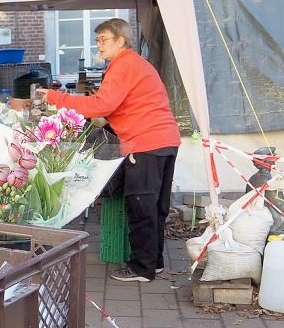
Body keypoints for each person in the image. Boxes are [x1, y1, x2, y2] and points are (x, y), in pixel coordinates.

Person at [37, 18, 180, 283]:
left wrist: (55, 98)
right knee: (156, 206)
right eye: (97, 40)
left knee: (141, 205)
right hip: (166, 140)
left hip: (146, 142)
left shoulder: (123, 65)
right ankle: (153, 262)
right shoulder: (138, 65)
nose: (99, 45)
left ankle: (141, 268)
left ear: (121, 41)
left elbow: (101, 106)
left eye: (104, 39)